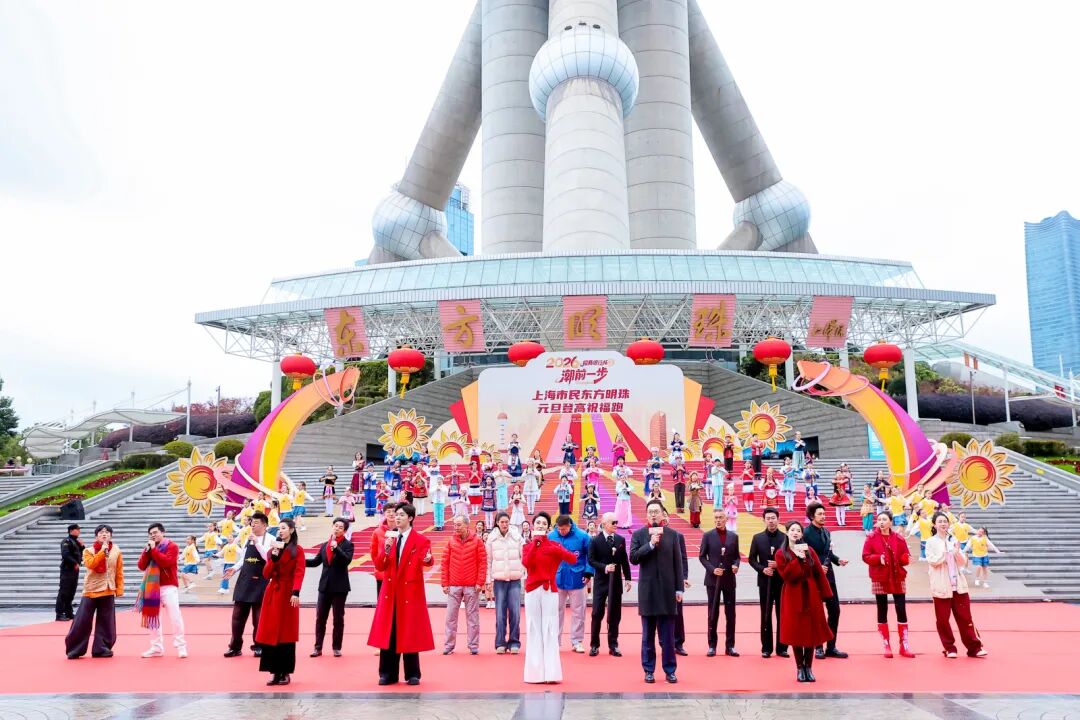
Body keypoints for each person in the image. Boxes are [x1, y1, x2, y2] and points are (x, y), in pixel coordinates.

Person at [369, 503, 435, 685]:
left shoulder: (420, 540)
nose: (397, 518)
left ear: (410, 518)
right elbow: (380, 564)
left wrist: (428, 559)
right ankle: (387, 673)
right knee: (389, 631)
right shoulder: (389, 538)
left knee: (409, 631)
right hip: (390, 592)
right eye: (396, 514)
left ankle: (412, 673)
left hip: (409, 592)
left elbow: (427, 559)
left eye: (401, 515)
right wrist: (386, 549)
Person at [630, 500, 685, 684]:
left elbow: (678, 563)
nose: (653, 514)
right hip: (648, 593)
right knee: (647, 636)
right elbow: (633, 558)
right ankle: (648, 670)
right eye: (650, 512)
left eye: (656, 511)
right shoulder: (639, 535)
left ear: (662, 514)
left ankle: (670, 670)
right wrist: (651, 545)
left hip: (668, 592)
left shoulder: (673, 535)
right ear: (646, 515)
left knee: (668, 636)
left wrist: (679, 588)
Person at [775, 520, 834, 682]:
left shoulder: (809, 550)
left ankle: (809, 667)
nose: (795, 533)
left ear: (801, 534)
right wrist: (797, 559)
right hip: (793, 594)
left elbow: (818, 572)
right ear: (787, 532)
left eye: (798, 531)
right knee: (796, 632)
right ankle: (799, 667)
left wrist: (826, 594)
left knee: (810, 631)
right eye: (792, 530)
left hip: (811, 594)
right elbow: (787, 576)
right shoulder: (781, 553)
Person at [522, 512, 578, 683]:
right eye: (538, 522)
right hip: (532, 590)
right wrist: (536, 543)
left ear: (548, 528)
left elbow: (572, 559)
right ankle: (534, 674)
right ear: (533, 525)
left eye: (544, 523)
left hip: (549, 590)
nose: (540, 525)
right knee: (533, 628)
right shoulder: (527, 546)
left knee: (549, 628)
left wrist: (556, 549)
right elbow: (526, 563)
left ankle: (551, 673)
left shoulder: (554, 545)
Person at [926, 512, 987, 658]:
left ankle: (974, 647)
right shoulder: (931, 542)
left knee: (965, 618)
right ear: (934, 524)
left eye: (945, 521)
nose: (943, 524)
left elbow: (962, 562)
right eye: (940, 521)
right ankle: (949, 648)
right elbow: (933, 561)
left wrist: (957, 552)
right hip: (941, 586)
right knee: (942, 620)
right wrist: (947, 553)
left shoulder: (953, 539)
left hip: (958, 586)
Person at [257, 519, 305, 685]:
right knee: (270, 631)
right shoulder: (273, 550)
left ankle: (285, 672)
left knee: (286, 632)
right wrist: (273, 559)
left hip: (288, 594)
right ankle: (273, 671)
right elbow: (266, 574)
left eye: (283, 528)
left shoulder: (297, 550)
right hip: (273, 593)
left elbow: (299, 572)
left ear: (291, 530)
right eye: (279, 528)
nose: (280, 531)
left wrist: (296, 592)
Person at [64, 524, 122, 659]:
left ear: (111, 535)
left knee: (106, 622)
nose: (104, 534)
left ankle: (102, 648)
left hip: (108, 589)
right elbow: (91, 564)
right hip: (91, 590)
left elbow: (118, 570)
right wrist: (102, 551)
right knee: (82, 621)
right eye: (101, 532)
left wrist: (119, 588)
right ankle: (75, 649)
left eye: (107, 532)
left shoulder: (116, 550)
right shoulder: (88, 551)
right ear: (96, 536)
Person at [862, 511, 914, 658]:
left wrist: (906, 559)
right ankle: (886, 644)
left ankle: (904, 645)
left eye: (884, 519)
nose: (881, 522)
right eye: (879, 519)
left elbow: (904, 556)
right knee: (882, 609)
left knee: (901, 609)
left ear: (891, 521)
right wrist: (878, 558)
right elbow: (865, 556)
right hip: (880, 576)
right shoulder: (871, 537)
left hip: (897, 576)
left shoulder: (899, 538)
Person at [224, 511, 274, 657]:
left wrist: (257, 543)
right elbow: (244, 558)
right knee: (237, 615)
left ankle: (259, 645)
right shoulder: (248, 538)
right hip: (245, 580)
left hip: (261, 581)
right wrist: (234, 568)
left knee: (258, 617)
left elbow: (269, 558)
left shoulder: (272, 539)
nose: (252, 525)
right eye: (252, 522)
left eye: (256, 523)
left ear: (265, 525)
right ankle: (235, 646)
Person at [804, 502, 848, 660]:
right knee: (817, 613)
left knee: (835, 610)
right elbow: (804, 556)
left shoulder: (827, 532)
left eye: (824, 514)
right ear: (812, 516)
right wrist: (816, 568)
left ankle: (831, 646)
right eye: (820, 514)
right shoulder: (805, 533)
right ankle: (818, 647)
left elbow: (828, 553)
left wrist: (838, 560)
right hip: (814, 577)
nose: (823, 517)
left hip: (829, 576)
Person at [137, 523, 187, 659]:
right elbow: (141, 566)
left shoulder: (172, 546)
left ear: (163, 532)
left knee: (175, 616)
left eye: (155, 532)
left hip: (168, 586)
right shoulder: (149, 548)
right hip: (151, 587)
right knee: (152, 618)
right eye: (151, 533)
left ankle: (181, 646)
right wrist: (147, 551)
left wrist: (153, 550)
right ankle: (156, 647)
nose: (153, 535)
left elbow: (166, 562)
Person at [306, 517, 353, 657]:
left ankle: (336, 647)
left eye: (340, 527)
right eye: (335, 526)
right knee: (320, 618)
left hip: (340, 587)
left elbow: (346, 561)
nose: (337, 529)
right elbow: (316, 562)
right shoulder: (324, 545)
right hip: (324, 586)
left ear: (344, 531)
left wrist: (336, 548)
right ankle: (318, 647)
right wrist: (299, 560)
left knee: (338, 619)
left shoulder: (348, 545)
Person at [441, 515, 487, 656]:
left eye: (459, 524)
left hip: (471, 585)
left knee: (472, 618)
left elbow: (482, 562)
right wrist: (444, 583)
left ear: (467, 525)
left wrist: (480, 582)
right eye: (455, 524)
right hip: (454, 585)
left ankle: (473, 645)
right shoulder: (450, 541)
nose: (456, 527)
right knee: (450, 617)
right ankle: (448, 646)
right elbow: (445, 563)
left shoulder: (477, 541)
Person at [587, 512, 632, 657]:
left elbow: (624, 560)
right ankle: (594, 645)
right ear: (604, 523)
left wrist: (628, 578)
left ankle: (613, 645)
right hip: (601, 581)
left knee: (615, 614)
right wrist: (605, 567)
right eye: (613, 522)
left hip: (616, 582)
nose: (616, 525)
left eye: (617, 522)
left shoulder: (620, 539)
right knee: (596, 613)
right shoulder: (595, 540)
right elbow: (591, 560)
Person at [548, 514, 592, 653]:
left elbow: (591, 556)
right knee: (555, 611)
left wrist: (588, 572)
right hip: (557, 579)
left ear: (570, 525)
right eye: (559, 529)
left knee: (578, 611)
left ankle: (577, 641)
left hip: (577, 578)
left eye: (564, 529)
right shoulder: (551, 536)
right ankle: (555, 641)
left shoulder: (583, 536)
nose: (561, 532)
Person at [700, 508, 740, 657]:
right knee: (713, 613)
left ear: (726, 519)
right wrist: (712, 569)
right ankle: (712, 645)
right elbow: (702, 556)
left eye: (721, 517)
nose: (718, 520)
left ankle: (730, 646)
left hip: (729, 579)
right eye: (716, 517)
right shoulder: (707, 536)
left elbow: (737, 556)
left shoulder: (733, 536)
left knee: (730, 614)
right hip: (712, 580)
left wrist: (736, 565)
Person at [748, 507, 788, 658]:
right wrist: (762, 569)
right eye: (768, 518)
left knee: (782, 614)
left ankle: (782, 647)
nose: (771, 521)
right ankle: (766, 648)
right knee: (765, 614)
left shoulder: (785, 538)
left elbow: (791, 558)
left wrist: (779, 565)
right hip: (764, 582)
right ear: (763, 520)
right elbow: (752, 559)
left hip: (782, 582)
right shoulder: (757, 538)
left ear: (778, 519)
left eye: (773, 518)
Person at [486, 511, 524, 654]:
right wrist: (488, 579)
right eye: (501, 522)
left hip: (515, 579)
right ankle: (500, 642)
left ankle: (514, 642)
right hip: (499, 580)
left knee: (515, 612)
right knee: (500, 613)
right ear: (497, 523)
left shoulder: (517, 536)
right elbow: (488, 561)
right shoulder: (491, 539)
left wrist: (522, 572)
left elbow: (524, 556)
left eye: (506, 522)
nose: (504, 524)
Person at [369, 503, 399, 597]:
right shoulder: (377, 532)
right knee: (382, 601)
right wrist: (379, 565)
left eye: (394, 511)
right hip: (383, 573)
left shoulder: (403, 530)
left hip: (398, 573)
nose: (391, 514)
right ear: (384, 514)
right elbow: (373, 552)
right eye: (388, 512)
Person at [57, 523, 84, 621]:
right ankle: (59, 614)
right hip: (67, 569)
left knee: (71, 591)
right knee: (64, 591)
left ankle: (69, 612)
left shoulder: (76, 541)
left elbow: (81, 553)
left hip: (74, 570)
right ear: (71, 531)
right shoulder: (67, 541)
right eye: (77, 529)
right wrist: (74, 563)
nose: (79, 531)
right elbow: (65, 555)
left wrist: (82, 546)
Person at [614, 459, 634, 529]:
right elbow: (617, 490)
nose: (623, 479)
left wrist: (628, 489)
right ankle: (619, 523)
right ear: (620, 478)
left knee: (626, 512)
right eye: (621, 478)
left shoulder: (627, 483)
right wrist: (622, 488)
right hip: (620, 499)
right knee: (620, 512)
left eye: (624, 478)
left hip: (627, 499)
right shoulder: (618, 483)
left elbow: (632, 488)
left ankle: (626, 524)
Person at [430, 466, 448, 530]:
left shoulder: (444, 486)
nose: (439, 480)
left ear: (442, 480)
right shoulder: (434, 486)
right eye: (438, 479)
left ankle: (441, 525)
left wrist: (440, 489)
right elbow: (430, 491)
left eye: (440, 479)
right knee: (436, 514)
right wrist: (436, 489)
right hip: (435, 502)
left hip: (441, 502)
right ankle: (436, 525)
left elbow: (446, 491)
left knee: (441, 513)